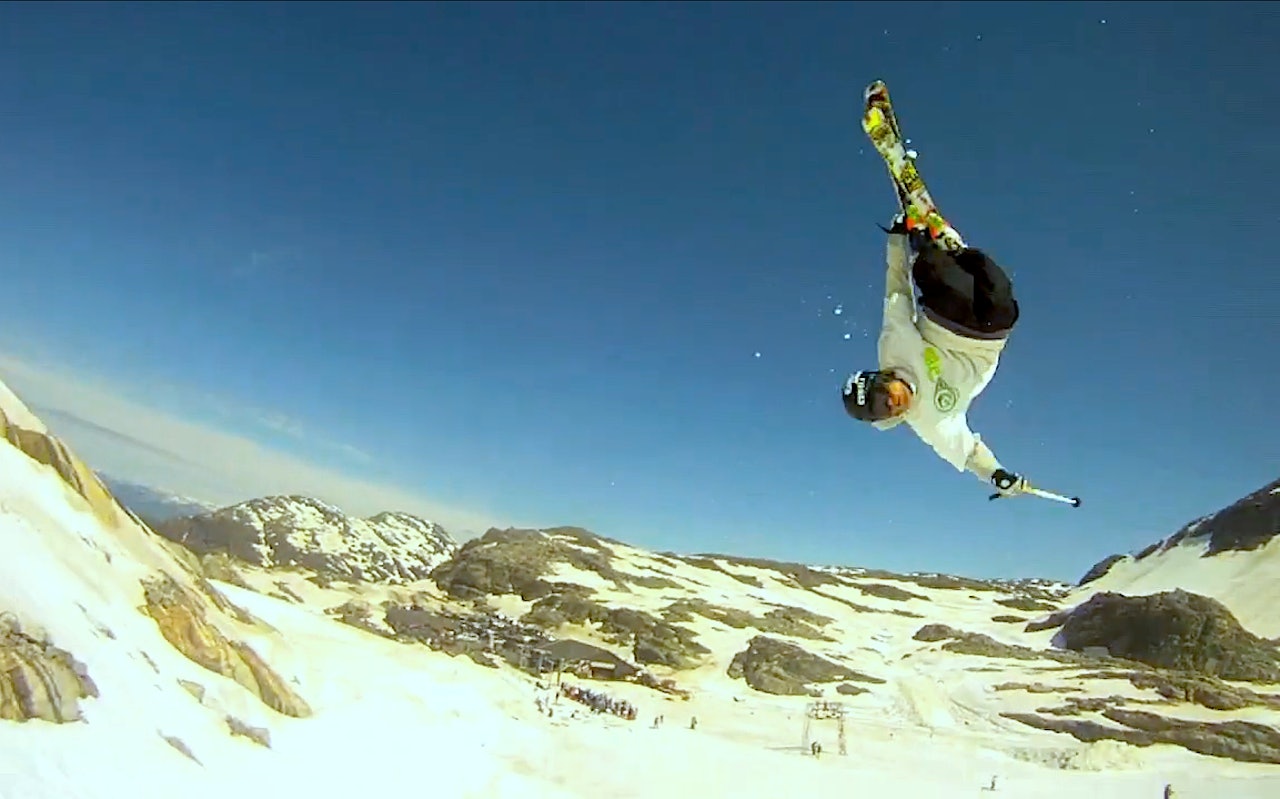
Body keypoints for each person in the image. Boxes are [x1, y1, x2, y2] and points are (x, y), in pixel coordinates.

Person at [841, 214, 1028, 498]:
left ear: (883, 376)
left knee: (940, 280)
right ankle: (957, 252)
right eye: (882, 410)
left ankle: (930, 247)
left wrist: (896, 241)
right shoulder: (928, 422)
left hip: (946, 319)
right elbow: (969, 453)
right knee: (1000, 299)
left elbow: (897, 292)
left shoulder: (893, 349)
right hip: (986, 341)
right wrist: (996, 474)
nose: (891, 403)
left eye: (881, 395)